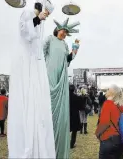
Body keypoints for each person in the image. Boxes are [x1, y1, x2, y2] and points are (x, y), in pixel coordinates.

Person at [7, 0, 56, 158]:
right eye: (46, 13)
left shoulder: (39, 23)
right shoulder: (28, 13)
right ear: (41, 8)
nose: (46, 16)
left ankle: (38, 143)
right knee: (27, 96)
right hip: (26, 62)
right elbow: (24, 31)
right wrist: (36, 19)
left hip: (35, 62)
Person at [44, 18, 80, 158]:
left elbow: (68, 59)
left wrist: (75, 49)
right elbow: (40, 53)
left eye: (66, 32)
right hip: (50, 76)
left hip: (61, 78)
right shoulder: (49, 40)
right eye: (63, 31)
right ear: (57, 30)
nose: (64, 34)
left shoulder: (64, 45)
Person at [95, 84, 123, 159]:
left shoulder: (108, 104)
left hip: (109, 139)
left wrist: (97, 134)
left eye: (108, 89)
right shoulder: (120, 106)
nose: (106, 91)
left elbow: (104, 123)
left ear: (112, 93)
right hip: (120, 139)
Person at [69, 84, 82, 149]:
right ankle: (72, 144)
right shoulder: (76, 97)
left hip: (67, 115)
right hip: (74, 115)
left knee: (67, 130)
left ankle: (65, 143)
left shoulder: (64, 98)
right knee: (74, 131)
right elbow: (80, 107)